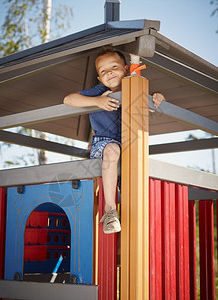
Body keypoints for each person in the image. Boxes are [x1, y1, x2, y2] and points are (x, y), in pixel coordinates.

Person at [63, 47, 165, 234]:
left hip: (129, 146)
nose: (109, 72)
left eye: (114, 67)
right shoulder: (100, 92)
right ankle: (110, 211)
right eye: (103, 71)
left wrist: (157, 98)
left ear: (126, 69)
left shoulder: (134, 87)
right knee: (111, 150)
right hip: (104, 144)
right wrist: (97, 101)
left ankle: (138, 219)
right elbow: (69, 99)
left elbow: (151, 104)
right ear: (100, 79)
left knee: (136, 173)